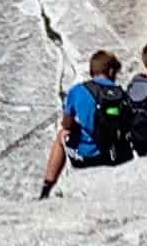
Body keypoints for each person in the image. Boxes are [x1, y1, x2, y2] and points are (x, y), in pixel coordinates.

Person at [40, 50, 134, 199]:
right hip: (115, 156)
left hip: (89, 158)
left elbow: (67, 125)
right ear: (110, 71)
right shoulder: (122, 93)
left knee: (61, 135)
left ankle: (46, 188)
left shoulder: (78, 91)